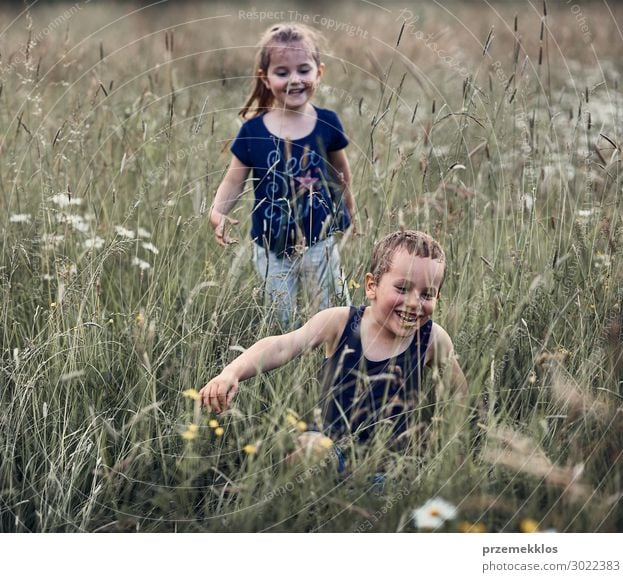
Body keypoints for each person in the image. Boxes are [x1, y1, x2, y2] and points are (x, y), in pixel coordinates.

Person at [199, 230, 468, 457]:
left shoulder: (432, 338)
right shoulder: (340, 322)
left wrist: (448, 442)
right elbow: (282, 345)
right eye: (402, 288)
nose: (413, 303)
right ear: (371, 286)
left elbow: (460, 396)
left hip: (388, 464)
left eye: (427, 294)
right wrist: (230, 373)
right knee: (306, 448)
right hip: (329, 450)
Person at [208, 23, 359, 328]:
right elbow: (233, 180)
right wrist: (217, 211)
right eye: (282, 72)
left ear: (319, 72)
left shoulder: (327, 123)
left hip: (320, 242)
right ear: (265, 77)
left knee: (331, 314)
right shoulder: (253, 131)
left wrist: (350, 211)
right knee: (282, 320)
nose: (294, 80)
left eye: (304, 70)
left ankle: (331, 364)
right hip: (270, 246)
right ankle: (288, 366)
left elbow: (340, 173)